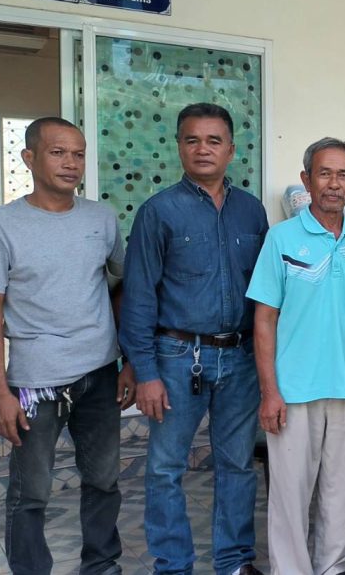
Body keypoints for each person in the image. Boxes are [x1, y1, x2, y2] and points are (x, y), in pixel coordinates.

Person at [0, 117, 134, 575]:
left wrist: (129, 361)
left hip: (99, 373)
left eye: (78, 154)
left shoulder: (101, 218)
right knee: (31, 493)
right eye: (58, 152)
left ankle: (102, 566)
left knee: (104, 481)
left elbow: (123, 285)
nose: (70, 163)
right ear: (29, 158)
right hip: (35, 381)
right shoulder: (0, 225)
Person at [119, 103, 269, 575]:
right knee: (166, 467)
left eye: (213, 140)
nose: (203, 149)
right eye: (192, 140)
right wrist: (145, 372)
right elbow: (138, 297)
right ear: (179, 147)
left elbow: (267, 294)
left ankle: (234, 561)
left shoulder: (251, 211)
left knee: (237, 464)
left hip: (240, 357)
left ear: (231, 150)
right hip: (177, 357)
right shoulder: (158, 211)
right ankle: (173, 565)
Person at [245, 138, 345, 574]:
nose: (334, 184)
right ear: (307, 180)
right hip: (293, 390)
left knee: (344, 493)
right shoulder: (281, 237)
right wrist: (270, 391)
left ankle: (332, 569)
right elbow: (264, 319)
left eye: (343, 175)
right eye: (324, 173)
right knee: (290, 496)